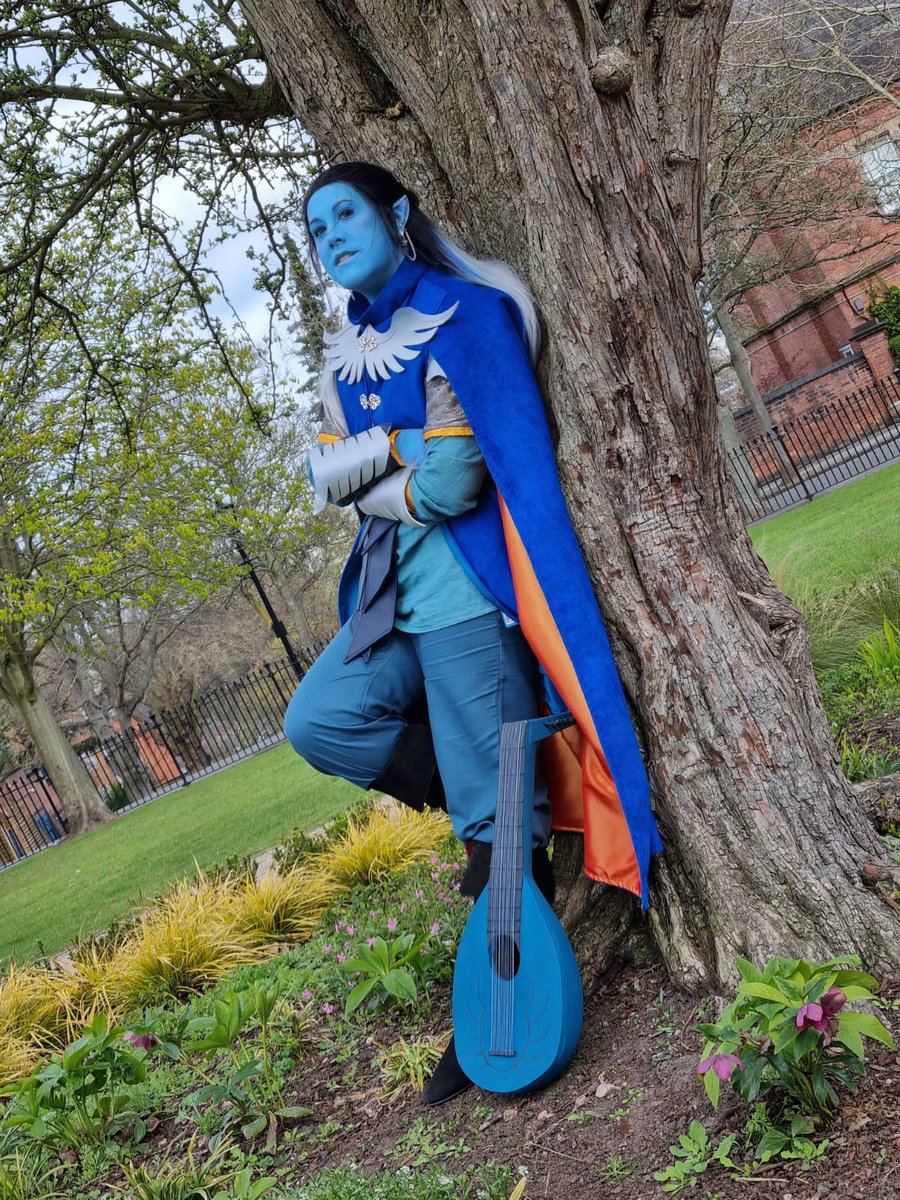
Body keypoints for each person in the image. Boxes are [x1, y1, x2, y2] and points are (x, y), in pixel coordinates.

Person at [284, 161, 662, 1105]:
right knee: (317, 720)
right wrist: (393, 450)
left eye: (345, 215)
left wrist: (365, 468)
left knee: (494, 832)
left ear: (396, 214)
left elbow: (455, 486)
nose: (331, 237)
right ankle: (477, 787)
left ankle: (500, 1018)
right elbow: (326, 479)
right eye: (316, 229)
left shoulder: (465, 314)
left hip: (465, 596)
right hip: (384, 600)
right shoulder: (345, 357)